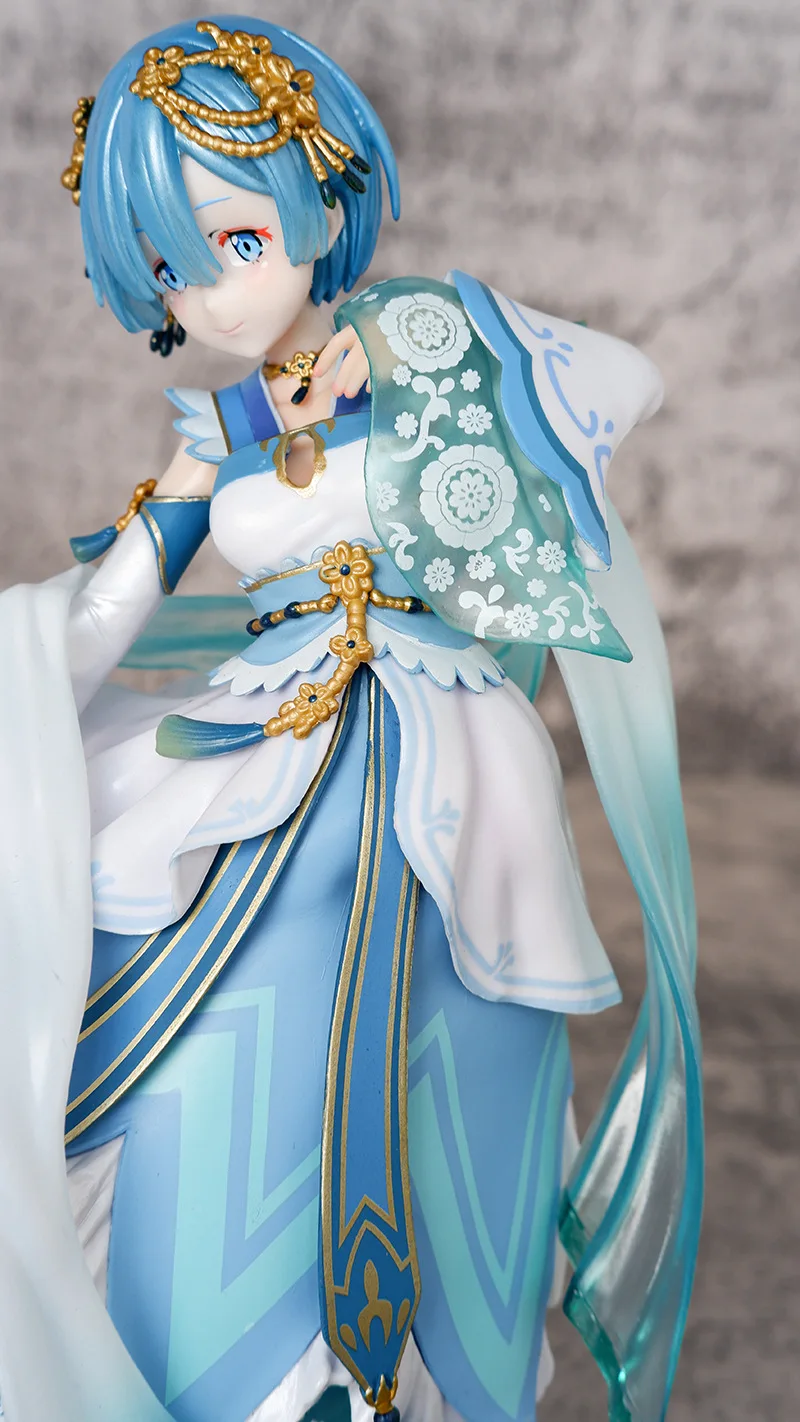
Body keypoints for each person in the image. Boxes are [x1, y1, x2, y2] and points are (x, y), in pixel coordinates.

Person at [0, 16, 702, 1422]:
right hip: (262, 756)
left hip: (450, 761)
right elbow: (99, 619)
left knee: (471, 1031)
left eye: (239, 239)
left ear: (322, 203)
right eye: (172, 267)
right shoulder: (218, 436)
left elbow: (620, 383)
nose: (213, 293)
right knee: (156, 996)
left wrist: (428, 357)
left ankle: (439, 1369)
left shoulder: (436, 349)